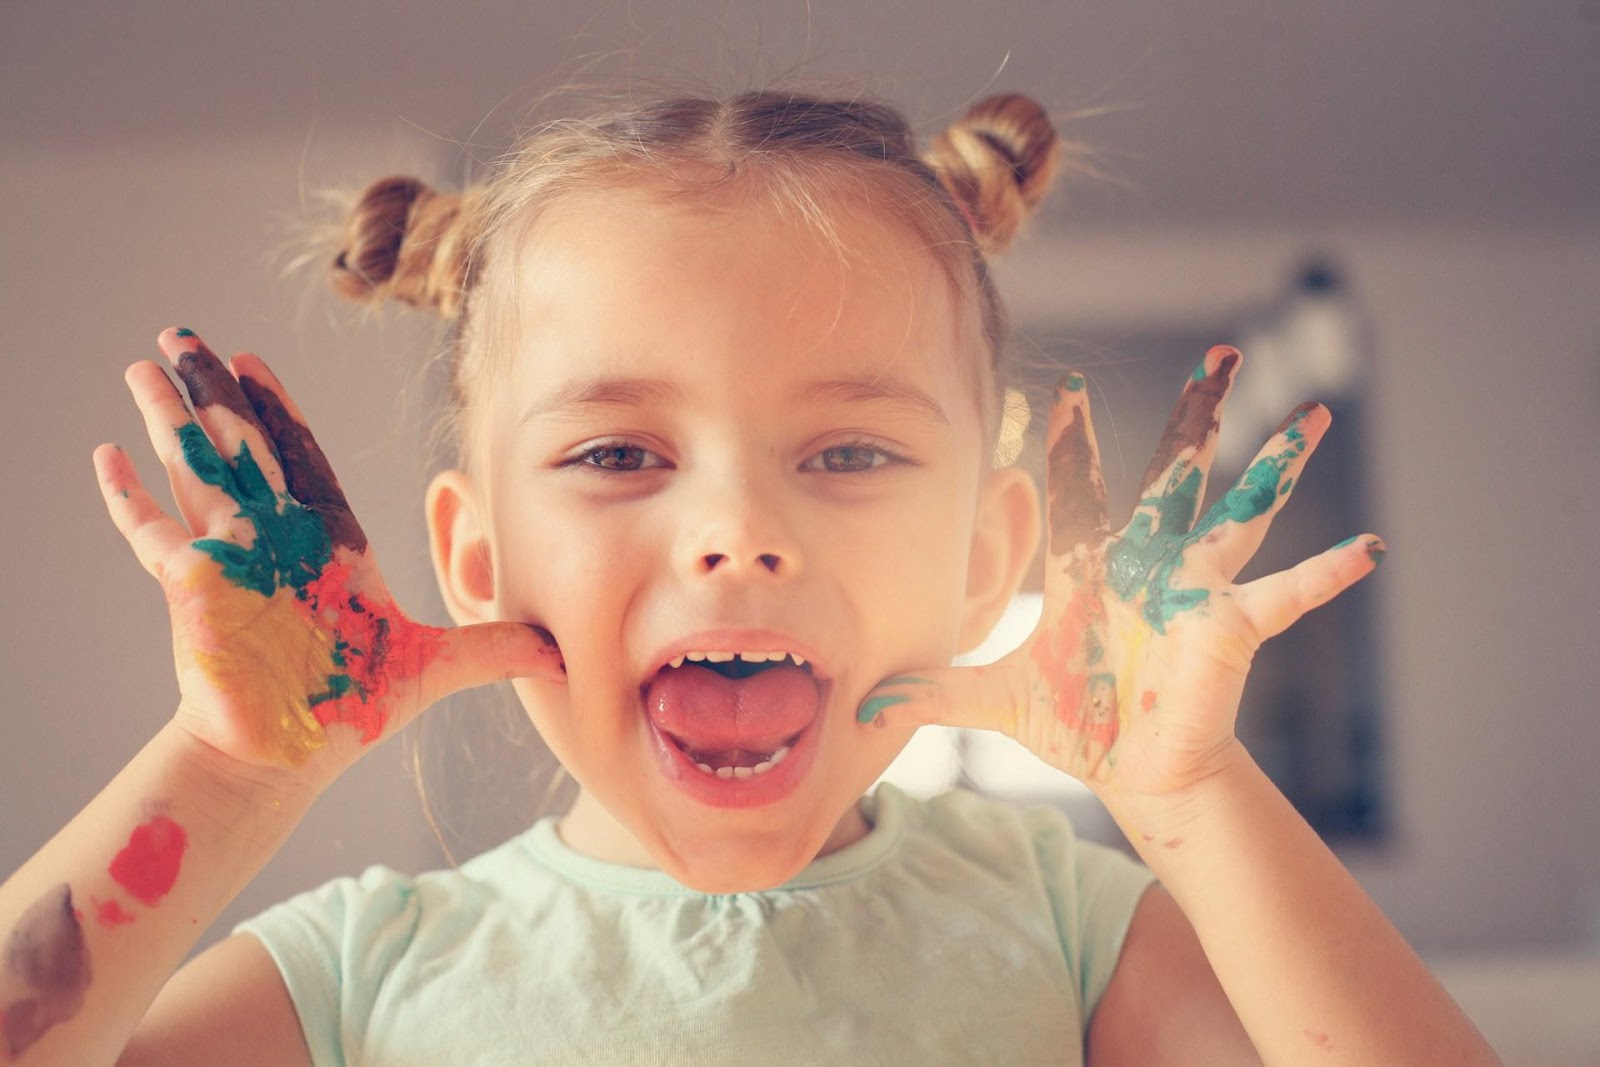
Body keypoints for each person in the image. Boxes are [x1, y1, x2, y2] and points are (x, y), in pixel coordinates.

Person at [0, 89, 1497, 1066]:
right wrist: (226, 773)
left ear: (988, 563)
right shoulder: (358, 981)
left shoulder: (1068, 929)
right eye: (614, 455)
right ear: (476, 559)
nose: (737, 532)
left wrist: (1191, 796)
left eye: (848, 455)